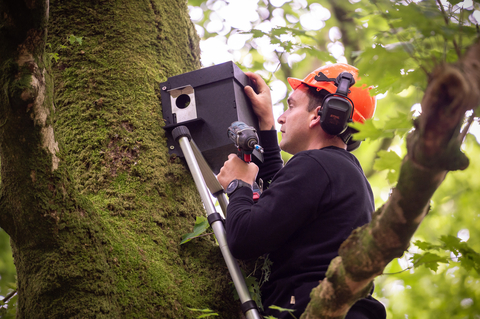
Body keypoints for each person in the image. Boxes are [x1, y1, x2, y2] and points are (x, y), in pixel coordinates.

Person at [217, 63, 387, 319]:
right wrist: (266, 125)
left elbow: (244, 238)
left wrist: (238, 186)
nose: (282, 117)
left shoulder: (317, 166)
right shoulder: (340, 171)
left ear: (319, 115)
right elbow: (284, 203)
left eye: (291, 106)